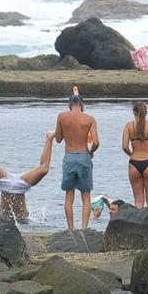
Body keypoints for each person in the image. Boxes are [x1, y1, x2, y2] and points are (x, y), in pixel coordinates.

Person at [0, 116, 54, 223]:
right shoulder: (2, 217)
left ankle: (49, 138)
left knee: (44, 170)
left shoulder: (26, 219)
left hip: (21, 185)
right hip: (4, 183)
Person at [55, 86, 99, 231]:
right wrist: (90, 152)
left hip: (69, 156)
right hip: (84, 156)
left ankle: (70, 228)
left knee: (69, 195)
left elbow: (59, 139)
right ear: (82, 105)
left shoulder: (62, 117)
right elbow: (96, 142)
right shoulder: (90, 119)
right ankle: (84, 228)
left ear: (69, 105)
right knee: (86, 195)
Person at [121, 101, 148, 210]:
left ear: (134, 112)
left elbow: (124, 146)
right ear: (146, 112)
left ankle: (139, 224)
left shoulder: (129, 126)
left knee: (138, 201)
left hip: (134, 164)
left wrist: (132, 154)